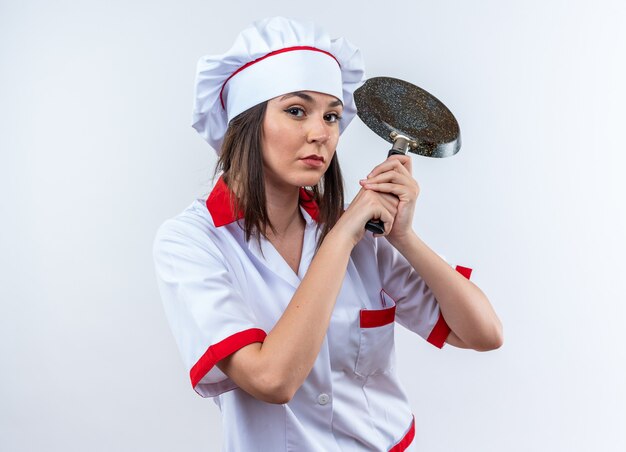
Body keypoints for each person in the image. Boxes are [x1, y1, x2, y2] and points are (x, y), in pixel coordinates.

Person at [153, 16, 503, 451]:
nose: (321, 134)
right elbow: (271, 379)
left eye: (332, 116)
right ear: (245, 121)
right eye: (296, 111)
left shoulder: (362, 237)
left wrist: (404, 238)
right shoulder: (192, 243)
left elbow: (484, 333)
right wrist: (340, 239)